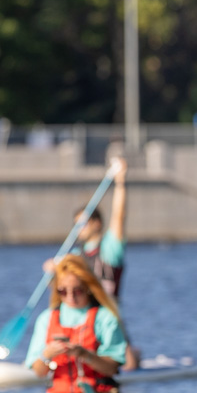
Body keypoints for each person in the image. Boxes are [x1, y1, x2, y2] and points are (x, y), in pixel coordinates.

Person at [16, 255, 127, 393]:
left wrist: (84, 354)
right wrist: (47, 354)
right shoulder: (47, 318)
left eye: (77, 290)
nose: (70, 296)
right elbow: (38, 371)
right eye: (63, 291)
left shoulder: (104, 317)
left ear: (89, 288)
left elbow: (111, 368)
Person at [44, 156, 140, 370]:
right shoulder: (76, 256)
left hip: (109, 313)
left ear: (97, 224)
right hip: (83, 315)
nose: (79, 229)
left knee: (129, 366)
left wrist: (121, 181)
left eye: (84, 223)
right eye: (76, 225)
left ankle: (133, 354)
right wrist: (53, 269)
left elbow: (119, 216)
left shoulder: (110, 250)